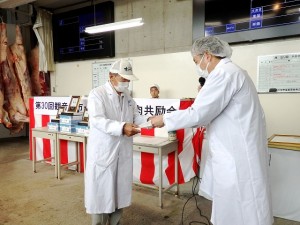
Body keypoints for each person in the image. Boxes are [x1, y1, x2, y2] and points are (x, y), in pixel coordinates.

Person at [150, 36, 273, 225]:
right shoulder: (233, 72)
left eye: (196, 61)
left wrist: (164, 119)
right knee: (237, 205)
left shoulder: (224, 74)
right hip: (237, 151)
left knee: (243, 206)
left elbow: (199, 113)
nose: (197, 65)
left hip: (237, 155)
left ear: (207, 55)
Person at [84, 59, 148, 225]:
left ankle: (116, 223)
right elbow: (97, 120)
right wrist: (121, 127)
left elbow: (136, 117)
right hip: (104, 153)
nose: (126, 83)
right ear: (111, 76)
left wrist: (150, 120)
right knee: (101, 196)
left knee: (119, 194)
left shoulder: (127, 97)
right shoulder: (97, 94)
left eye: (128, 80)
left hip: (122, 152)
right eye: (123, 79)